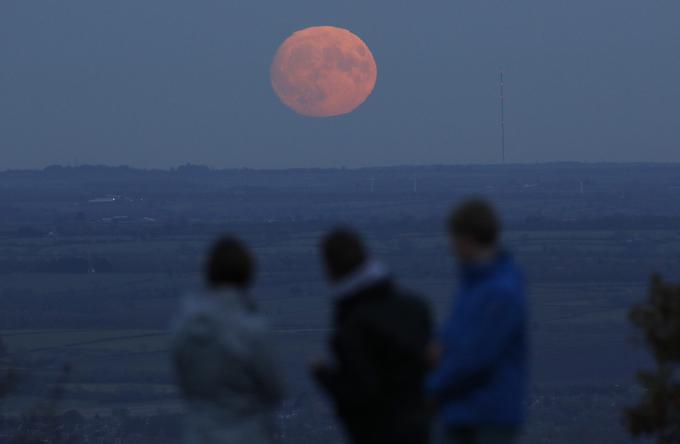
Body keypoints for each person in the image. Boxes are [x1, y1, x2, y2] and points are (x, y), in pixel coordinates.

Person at [312, 228, 432, 444]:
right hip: (423, 429)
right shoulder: (415, 307)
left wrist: (325, 377)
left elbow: (361, 395)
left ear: (330, 269)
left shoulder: (351, 327)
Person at [427, 199, 528, 444]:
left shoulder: (500, 291)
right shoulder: (473, 285)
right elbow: (456, 338)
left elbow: (477, 355)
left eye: (454, 239)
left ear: (468, 238)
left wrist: (431, 388)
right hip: (460, 411)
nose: (451, 247)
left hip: (489, 415)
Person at [172, 236, 284, 444]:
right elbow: (274, 389)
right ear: (247, 275)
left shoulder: (183, 328)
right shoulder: (252, 330)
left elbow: (183, 383)